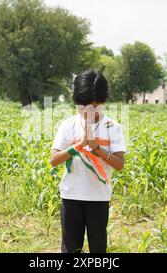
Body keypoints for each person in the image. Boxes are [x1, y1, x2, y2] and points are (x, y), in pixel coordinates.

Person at [50, 70, 127, 253]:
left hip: (98, 197)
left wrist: (96, 148)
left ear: (102, 102)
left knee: (98, 247)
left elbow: (119, 164)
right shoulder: (68, 125)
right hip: (71, 196)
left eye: (92, 106)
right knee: (70, 247)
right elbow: (54, 160)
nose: (86, 111)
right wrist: (79, 145)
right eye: (81, 106)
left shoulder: (112, 127)